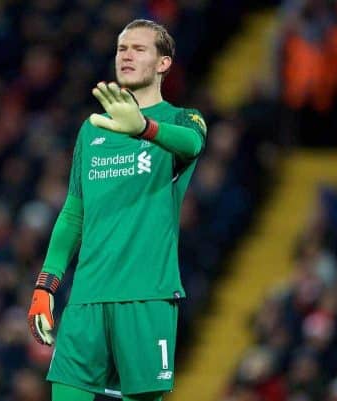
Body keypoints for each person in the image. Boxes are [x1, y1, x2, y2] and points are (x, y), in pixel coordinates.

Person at [27, 19, 207, 401]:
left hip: (146, 295)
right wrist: (46, 285)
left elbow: (192, 145)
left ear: (163, 63)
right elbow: (74, 214)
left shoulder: (182, 119)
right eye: (121, 48)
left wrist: (144, 128)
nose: (126, 55)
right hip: (87, 298)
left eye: (139, 49)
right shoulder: (92, 130)